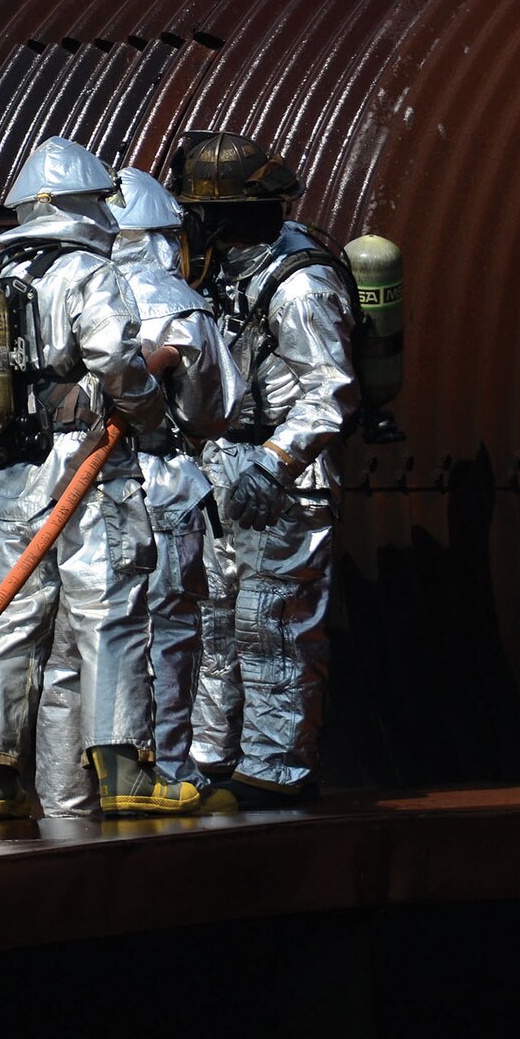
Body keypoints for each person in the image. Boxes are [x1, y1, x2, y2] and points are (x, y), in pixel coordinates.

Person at [0, 136, 197, 820]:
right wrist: (146, 408)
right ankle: (125, 774)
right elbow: (114, 359)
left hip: (8, 473)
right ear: (83, 205)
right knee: (108, 615)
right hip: (85, 470)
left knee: (5, 625)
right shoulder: (89, 270)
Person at [33, 166, 243, 816]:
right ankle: (167, 772)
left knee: (73, 648)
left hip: (71, 482)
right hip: (158, 489)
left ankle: (65, 797)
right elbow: (214, 408)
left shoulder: (66, 280)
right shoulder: (175, 301)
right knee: (166, 639)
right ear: (161, 234)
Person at [171, 132, 359, 810]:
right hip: (226, 464)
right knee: (216, 620)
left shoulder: (300, 285)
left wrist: (274, 466)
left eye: (197, 210)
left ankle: (275, 771)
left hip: (283, 478)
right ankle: (215, 759)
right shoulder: (229, 270)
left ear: (223, 215)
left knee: (272, 622)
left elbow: (331, 389)